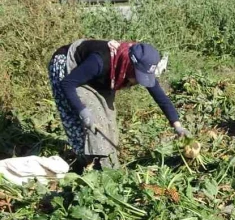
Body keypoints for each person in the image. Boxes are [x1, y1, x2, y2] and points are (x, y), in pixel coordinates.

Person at [48, 39, 189, 169]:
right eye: (137, 76)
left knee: (108, 121)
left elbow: (161, 97)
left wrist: (178, 127)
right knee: (90, 121)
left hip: (100, 77)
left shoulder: (135, 66)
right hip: (69, 69)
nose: (138, 82)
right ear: (129, 65)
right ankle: (88, 166)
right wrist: (82, 111)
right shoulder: (100, 62)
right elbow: (68, 84)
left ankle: (109, 166)